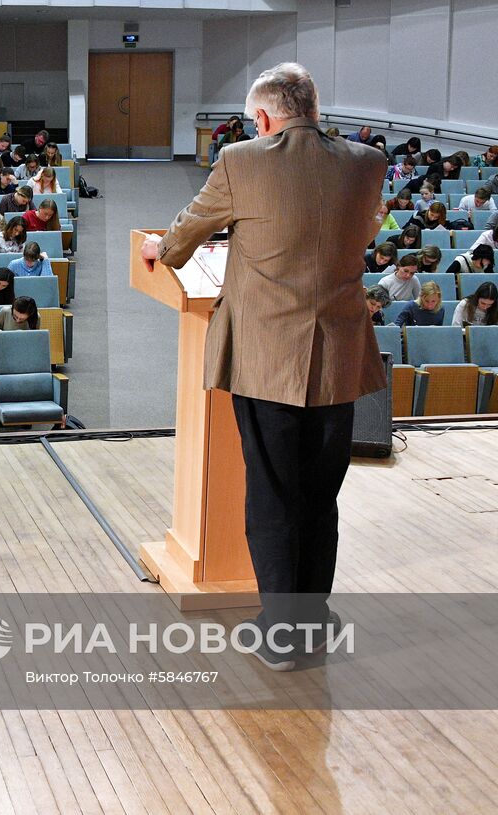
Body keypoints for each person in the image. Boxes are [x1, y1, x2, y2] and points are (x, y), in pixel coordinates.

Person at [139, 62, 387, 671]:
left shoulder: (241, 161)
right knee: (320, 494)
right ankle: (311, 619)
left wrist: (156, 247)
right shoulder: (367, 162)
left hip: (267, 356)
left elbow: (180, 240)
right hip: (338, 356)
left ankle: (279, 635)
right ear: (314, 110)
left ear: (264, 118)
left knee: (273, 493)